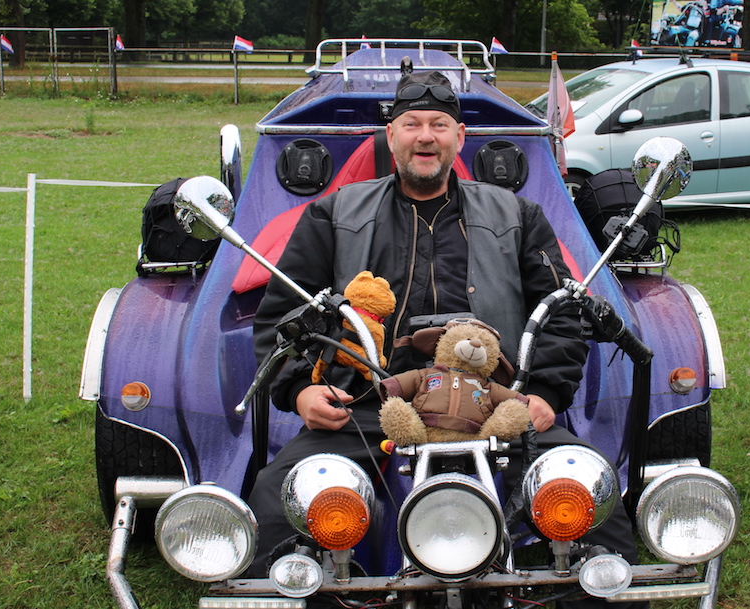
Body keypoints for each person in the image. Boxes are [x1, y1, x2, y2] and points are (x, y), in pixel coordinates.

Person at [248, 69, 645, 609]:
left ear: (459, 137)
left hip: (496, 406)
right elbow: (283, 316)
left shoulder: (520, 216)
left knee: (590, 496)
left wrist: (545, 395)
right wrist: (300, 391)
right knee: (280, 498)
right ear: (391, 136)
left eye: (439, 125)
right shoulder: (333, 214)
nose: (425, 137)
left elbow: (561, 312)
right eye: (412, 124)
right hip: (368, 407)